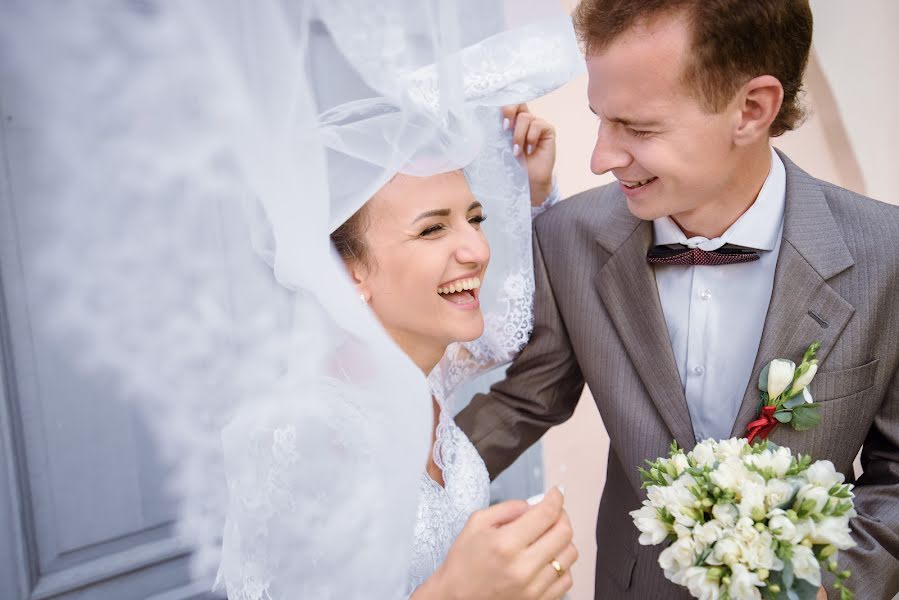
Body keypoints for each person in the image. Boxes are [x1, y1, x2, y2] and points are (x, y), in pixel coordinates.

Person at [456, 1, 899, 598]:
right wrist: (387, 483)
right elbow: (525, 404)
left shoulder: (886, 255)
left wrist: (822, 589)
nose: (599, 158)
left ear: (752, 108)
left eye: (637, 128)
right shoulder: (567, 239)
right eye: (601, 120)